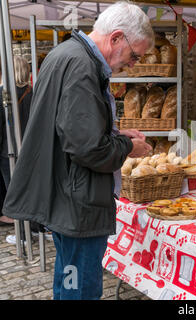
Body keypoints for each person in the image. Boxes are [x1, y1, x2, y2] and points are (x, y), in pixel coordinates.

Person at [3, 1, 153, 300]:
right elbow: (88, 149)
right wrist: (128, 146)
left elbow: (70, 129)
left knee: (70, 279)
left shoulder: (67, 54)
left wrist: (115, 134)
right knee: (79, 287)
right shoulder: (82, 66)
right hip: (78, 201)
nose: (134, 64)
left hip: (67, 193)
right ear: (116, 38)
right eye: (135, 55)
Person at [0, 56, 32, 226]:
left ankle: (21, 231)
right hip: (30, 149)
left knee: (13, 189)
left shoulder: (4, 93)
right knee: (29, 189)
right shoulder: (33, 92)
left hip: (8, 150)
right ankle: (33, 225)